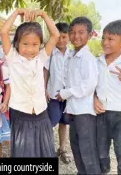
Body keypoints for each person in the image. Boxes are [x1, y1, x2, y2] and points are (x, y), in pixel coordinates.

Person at [0, 9, 60, 157]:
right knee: (23, 153)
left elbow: (56, 35)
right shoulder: (12, 58)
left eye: (35, 44)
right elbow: (3, 32)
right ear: (17, 43)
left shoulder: (40, 58)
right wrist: (16, 12)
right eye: (25, 44)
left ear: (40, 45)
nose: (30, 49)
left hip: (41, 114)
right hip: (21, 115)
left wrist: (44, 15)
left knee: (43, 151)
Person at [56, 17, 101, 174]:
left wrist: (65, 93)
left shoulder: (87, 58)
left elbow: (88, 86)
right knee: (76, 147)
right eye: (73, 32)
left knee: (87, 150)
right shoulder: (72, 56)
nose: (76, 36)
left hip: (85, 112)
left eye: (81, 33)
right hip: (74, 110)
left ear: (89, 35)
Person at [94, 20, 121, 174]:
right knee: (100, 153)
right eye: (103, 38)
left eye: (110, 39)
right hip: (101, 114)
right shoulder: (96, 62)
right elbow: (91, 87)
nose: (105, 42)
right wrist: (94, 99)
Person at [44, 22, 71, 164]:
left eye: (64, 37)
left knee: (64, 122)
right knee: (51, 121)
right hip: (53, 94)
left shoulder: (72, 54)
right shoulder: (50, 53)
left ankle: (62, 149)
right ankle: (47, 148)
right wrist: (44, 90)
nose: (61, 40)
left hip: (67, 96)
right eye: (58, 37)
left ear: (69, 37)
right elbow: (45, 71)